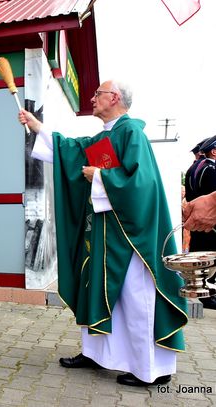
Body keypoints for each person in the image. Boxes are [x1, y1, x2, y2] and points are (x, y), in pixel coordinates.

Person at [18, 80, 188, 387]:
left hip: (133, 238)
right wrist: (36, 126)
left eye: (98, 93)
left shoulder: (131, 132)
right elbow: (71, 150)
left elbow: (143, 184)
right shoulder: (107, 135)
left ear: (115, 97)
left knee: (137, 299)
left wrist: (101, 176)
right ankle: (95, 353)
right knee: (94, 289)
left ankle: (151, 370)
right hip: (105, 233)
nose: (93, 98)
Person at [182, 135, 216, 309]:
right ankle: (208, 293)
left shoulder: (193, 168)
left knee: (200, 255)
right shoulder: (211, 169)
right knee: (210, 258)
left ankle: (202, 290)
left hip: (196, 220)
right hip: (209, 221)